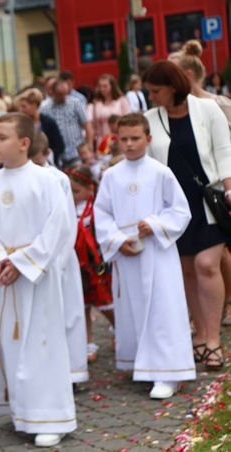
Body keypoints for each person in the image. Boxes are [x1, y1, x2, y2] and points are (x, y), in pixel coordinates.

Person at [0, 113, 76, 448]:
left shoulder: (46, 181)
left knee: (41, 345)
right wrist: (0, 259)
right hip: (4, 276)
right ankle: (21, 411)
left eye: (2, 137)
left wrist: (22, 262)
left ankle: (50, 415)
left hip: (36, 279)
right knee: (9, 344)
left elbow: (58, 227)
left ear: (24, 142)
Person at [94, 113, 196, 398]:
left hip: (157, 252)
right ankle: (143, 364)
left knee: (162, 308)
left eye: (135, 138)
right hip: (128, 253)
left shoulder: (161, 172)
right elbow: (102, 214)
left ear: (148, 139)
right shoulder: (112, 175)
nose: (129, 144)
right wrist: (115, 239)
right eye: (123, 139)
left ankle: (168, 372)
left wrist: (154, 225)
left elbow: (180, 210)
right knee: (133, 308)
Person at [144, 61, 231, 370]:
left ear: (174, 86)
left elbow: (224, 151)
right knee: (187, 271)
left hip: (207, 199)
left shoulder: (207, 110)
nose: (151, 96)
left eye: (156, 91)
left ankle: (213, 341)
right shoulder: (150, 119)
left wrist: (230, 188)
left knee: (206, 265)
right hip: (172, 207)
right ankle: (199, 336)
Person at [177, 41, 231, 326]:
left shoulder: (217, 104)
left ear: (186, 74)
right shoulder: (173, 111)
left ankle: (225, 302)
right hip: (195, 186)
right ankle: (210, 307)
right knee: (208, 256)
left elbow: (226, 145)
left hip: (220, 182)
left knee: (220, 251)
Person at [28, 132, 89, 385]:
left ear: (46, 154)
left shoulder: (58, 179)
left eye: (36, 159)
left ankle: (72, 371)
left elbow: (66, 224)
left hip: (58, 258)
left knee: (69, 313)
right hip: (31, 258)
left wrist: (59, 261)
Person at [68, 166, 115, 364]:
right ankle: (87, 342)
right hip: (77, 264)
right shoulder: (68, 209)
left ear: (90, 188)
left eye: (76, 191)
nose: (72, 195)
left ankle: (118, 328)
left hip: (96, 264)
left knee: (104, 302)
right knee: (82, 305)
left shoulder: (97, 208)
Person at [40, 79, 93, 167]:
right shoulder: (45, 108)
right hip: (57, 155)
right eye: (60, 95)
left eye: (65, 94)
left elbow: (87, 125)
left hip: (76, 152)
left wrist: (89, 145)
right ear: (53, 93)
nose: (64, 97)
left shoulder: (75, 103)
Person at [13, 88, 65, 166]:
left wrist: (46, 154)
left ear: (34, 105)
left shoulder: (48, 122)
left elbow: (59, 145)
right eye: (20, 107)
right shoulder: (20, 124)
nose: (21, 110)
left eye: (24, 106)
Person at [88, 74, 131, 145]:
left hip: (118, 140)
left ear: (112, 86)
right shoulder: (97, 103)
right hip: (102, 141)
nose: (102, 89)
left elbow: (128, 120)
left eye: (105, 86)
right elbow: (94, 125)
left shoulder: (122, 100)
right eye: (100, 86)